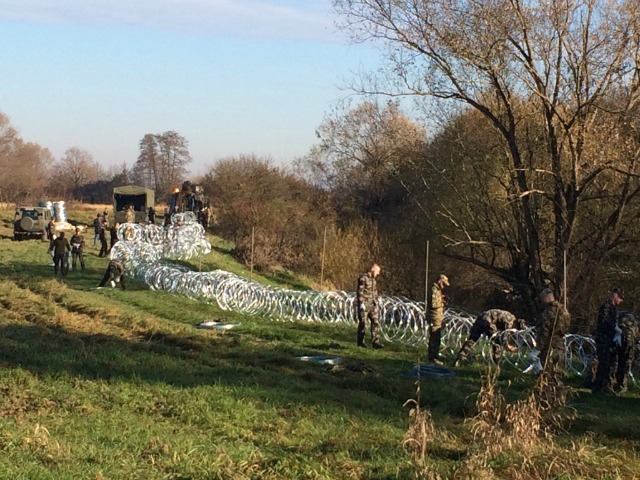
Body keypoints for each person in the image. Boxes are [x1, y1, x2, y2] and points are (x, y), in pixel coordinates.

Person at [455, 309, 526, 366]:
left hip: (481, 317)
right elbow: (503, 337)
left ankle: (461, 356)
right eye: (517, 328)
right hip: (488, 321)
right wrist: (508, 346)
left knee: (473, 338)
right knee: (496, 340)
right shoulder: (510, 322)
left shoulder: (511, 317)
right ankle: (496, 363)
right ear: (516, 324)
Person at [592, 287, 624, 394]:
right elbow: (604, 322)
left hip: (609, 339)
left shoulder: (613, 308)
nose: (621, 300)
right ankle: (598, 387)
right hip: (603, 338)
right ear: (615, 295)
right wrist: (615, 329)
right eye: (620, 297)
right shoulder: (606, 306)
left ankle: (606, 386)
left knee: (611, 363)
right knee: (603, 364)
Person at [536, 288, 571, 384]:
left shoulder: (548, 312)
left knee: (548, 374)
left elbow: (544, 332)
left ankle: (549, 395)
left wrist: (539, 348)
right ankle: (560, 395)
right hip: (560, 346)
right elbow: (566, 327)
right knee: (558, 373)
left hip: (549, 347)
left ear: (546, 298)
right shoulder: (564, 311)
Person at [610, 312, 639, 394]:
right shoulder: (635, 319)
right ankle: (621, 386)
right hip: (629, 339)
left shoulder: (619, 315)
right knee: (625, 362)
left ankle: (610, 384)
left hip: (616, 337)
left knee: (614, 361)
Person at [356, 263, 383, 349]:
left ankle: (375, 342)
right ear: (373, 269)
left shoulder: (373, 280)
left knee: (375, 322)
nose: (378, 273)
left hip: (372, 304)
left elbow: (374, 292)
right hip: (364, 304)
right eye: (377, 271)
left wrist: (377, 300)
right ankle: (360, 342)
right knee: (363, 323)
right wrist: (361, 303)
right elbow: (360, 291)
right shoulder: (363, 278)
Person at [427, 274, 450, 364]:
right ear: (440, 281)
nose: (443, 286)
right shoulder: (434, 290)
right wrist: (442, 302)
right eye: (443, 283)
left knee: (436, 338)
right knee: (434, 338)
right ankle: (432, 358)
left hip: (437, 318)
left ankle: (435, 355)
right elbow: (433, 304)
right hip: (434, 318)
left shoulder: (437, 290)